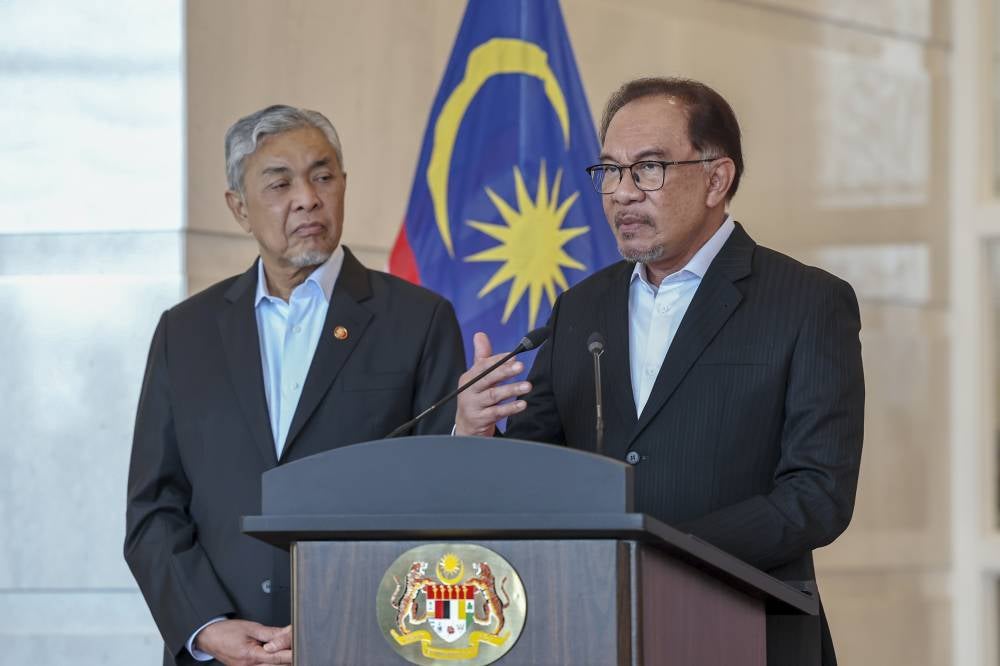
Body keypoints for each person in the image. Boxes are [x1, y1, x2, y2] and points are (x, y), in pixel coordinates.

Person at [455, 77, 864, 666]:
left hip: (743, 626)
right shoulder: (580, 307)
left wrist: (663, 552)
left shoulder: (806, 302)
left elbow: (818, 494)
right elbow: (535, 474)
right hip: (589, 631)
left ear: (716, 179)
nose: (622, 193)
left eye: (648, 168)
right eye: (609, 172)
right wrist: (477, 430)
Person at [125, 105, 466, 666]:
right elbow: (154, 506)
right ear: (239, 207)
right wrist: (207, 626)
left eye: (323, 176)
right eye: (280, 183)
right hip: (221, 650)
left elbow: (438, 495)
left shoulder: (418, 319)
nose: (307, 197)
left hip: (366, 641)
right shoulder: (184, 333)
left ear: (344, 187)